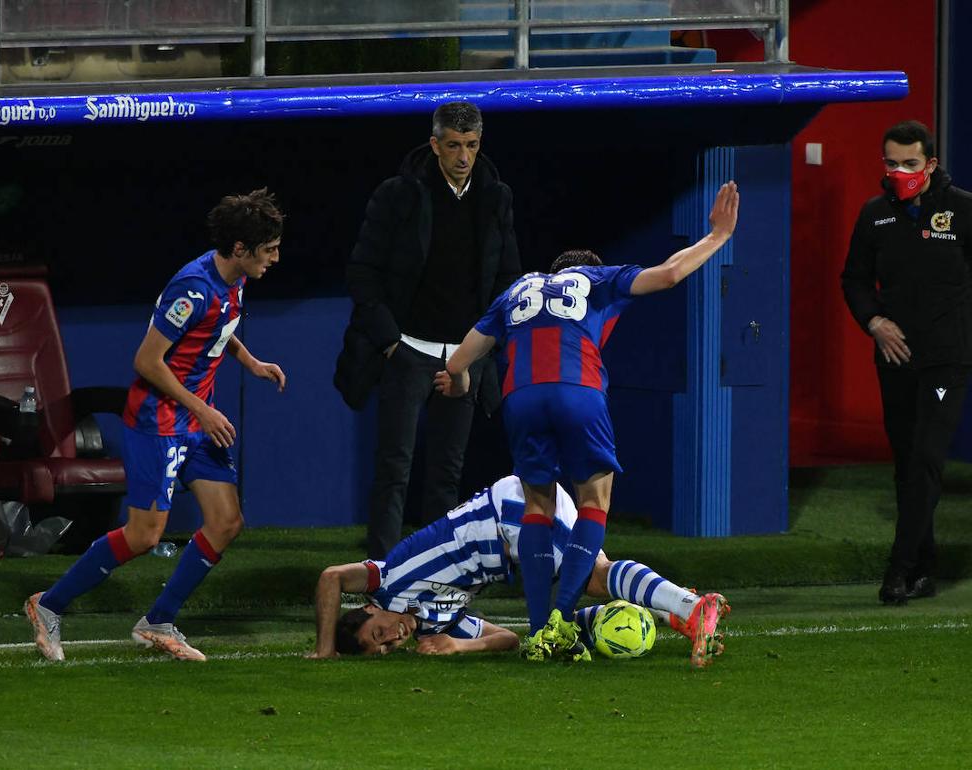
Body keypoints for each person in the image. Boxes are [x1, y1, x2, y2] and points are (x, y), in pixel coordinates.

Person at [436, 181, 739, 661]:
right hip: (578, 391)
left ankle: (538, 633)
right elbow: (668, 275)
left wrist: (459, 384)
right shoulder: (598, 280)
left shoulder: (516, 291)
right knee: (594, 501)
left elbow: (458, 363)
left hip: (522, 396)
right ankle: (561, 619)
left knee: (538, 504)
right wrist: (719, 236)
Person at [26, 189, 286, 662]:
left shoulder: (234, 277)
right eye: (268, 249)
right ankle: (48, 605)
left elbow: (218, 329)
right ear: (241, 249)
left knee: (226, 522)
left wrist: (250, 361)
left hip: (197, 417)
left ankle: (159, 621)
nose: (276, 257)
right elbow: (147, 360)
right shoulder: (193, 287)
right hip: (160, 420)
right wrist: (203, 410)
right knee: (144, 535)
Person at [338, 100, 522, 560]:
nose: (464, 156)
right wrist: (389, 343)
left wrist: (481, 347)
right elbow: (363, 272)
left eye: (473, 146)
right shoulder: (399, 194)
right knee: (394, 467)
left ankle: (437, 572)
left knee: (446, 472)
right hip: (408, 350)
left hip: (465, 353)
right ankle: (380, 572)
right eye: (455, 146)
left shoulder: (496, 196)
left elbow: (508, 277)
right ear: (435, 145)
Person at [310, 474, 729, 667]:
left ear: (369, 609)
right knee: (579, 588)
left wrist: (325, 647)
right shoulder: (436, 626)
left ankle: (693, 609)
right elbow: (508, 638)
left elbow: (331, 577)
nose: (392, 639)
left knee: (592, 577)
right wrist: (459, 647)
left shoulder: (390, 580)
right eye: (383, 650)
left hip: (506, 515)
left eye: (378, 634)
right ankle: (669, 608)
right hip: (513, 540)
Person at [840, 120, 972, 605]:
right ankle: (925, 567)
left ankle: (897, 572)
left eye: (910, 164)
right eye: (892, 163)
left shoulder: (962, 210)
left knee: (925, 460)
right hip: (894, 359)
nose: (900, 171)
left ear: (930, 164)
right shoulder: (874, 215)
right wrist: (874, 322)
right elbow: (853, 278)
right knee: (906, 466)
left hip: (946, 362)